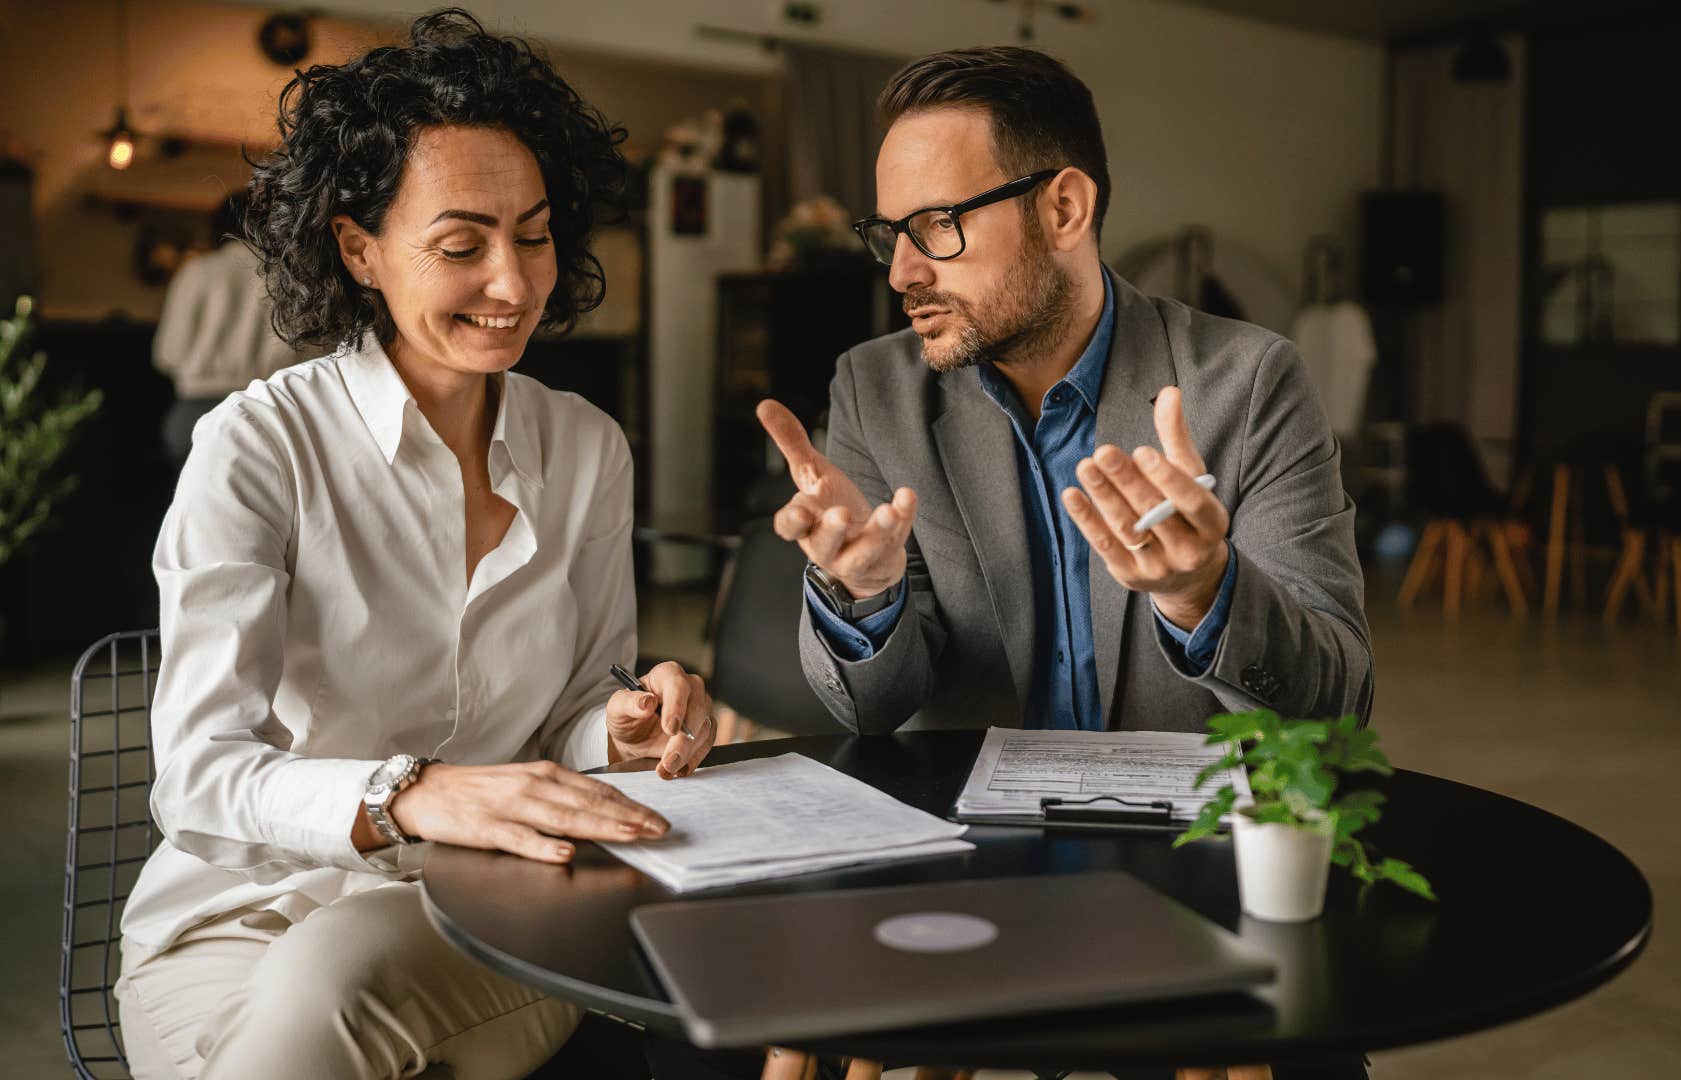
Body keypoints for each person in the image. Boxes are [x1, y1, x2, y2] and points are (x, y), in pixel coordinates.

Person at [114, 12, 715, 1079]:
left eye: (533, 234)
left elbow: (576, 711)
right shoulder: (257, 447)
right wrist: (404, 793)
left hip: (497, 909)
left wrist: (616, 731)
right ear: (358, 248)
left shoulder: (585, 449)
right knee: (308, 1004)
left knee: (339, 979)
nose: (515, 283)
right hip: (236, 921)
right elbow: (197, 776)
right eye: (460, 245)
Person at [757, 46, 1373, 737]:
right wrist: (867, 596)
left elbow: (1337, 707)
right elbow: (873, 710)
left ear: (1065, 211)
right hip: (968, 837)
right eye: (891, 233)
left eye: (937, 224)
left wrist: (1205, 595)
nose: (902, 272)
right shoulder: (875, 393)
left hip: (1185, 841)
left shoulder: (1250, 384)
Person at [152, 194, 311, 469]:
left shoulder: (196, 272)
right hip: (266, 415)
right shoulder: (287, 276)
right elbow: (307, 355)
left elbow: (168, 353)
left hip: (193, 416)